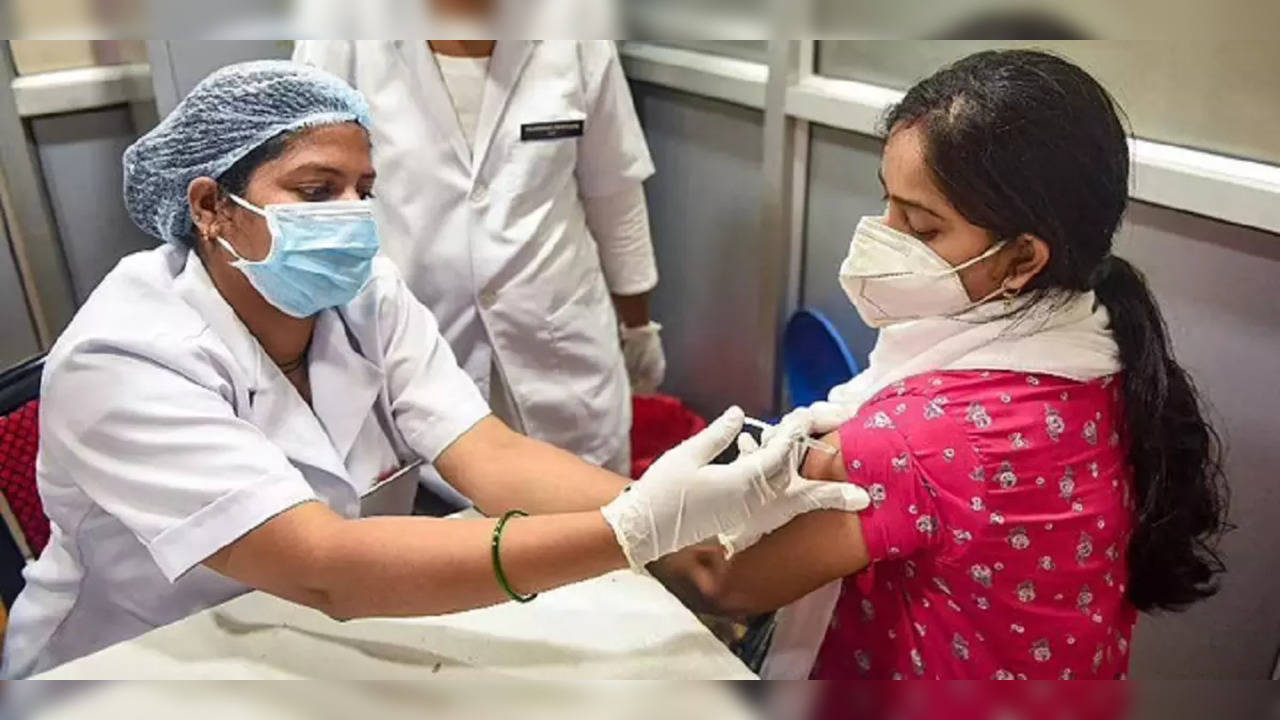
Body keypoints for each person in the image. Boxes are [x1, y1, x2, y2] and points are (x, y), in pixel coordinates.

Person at [0, 61, 869, 678]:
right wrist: (634, 531)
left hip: (301, 635)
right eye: (315, 191)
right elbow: (325, 563)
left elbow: (488, 456)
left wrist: (687, 529)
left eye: (363, 187)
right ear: (208, 207)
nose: (352, 215)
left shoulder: (363, 294)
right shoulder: (125, 357)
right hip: (142, 666)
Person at [667, 50, 1228, 680]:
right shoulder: (1096, 344)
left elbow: (720, 580)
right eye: (888, 205)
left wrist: (642, 516)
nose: (880, 238)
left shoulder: (930, 438)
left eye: (920, 227)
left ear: (1023, 260)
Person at [294, 5, 664, 486]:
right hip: (410, 355)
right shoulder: (342, 32)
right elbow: (308, 204)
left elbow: (614, 193)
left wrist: (638, 327)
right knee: (439, 539)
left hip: (561, 353)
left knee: (591, 537)